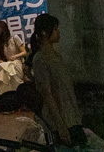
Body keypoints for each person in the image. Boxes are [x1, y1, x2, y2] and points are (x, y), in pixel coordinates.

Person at [31, 13, 86, 148]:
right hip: (59, 121)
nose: (58, 32)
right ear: (44, 33)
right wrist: (60, 126)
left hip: (71, 117)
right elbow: (47, 94)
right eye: (55, 29)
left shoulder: (57, 56)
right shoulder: (40, 59)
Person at [0, 20, 28, 96]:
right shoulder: (1, 43)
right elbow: (0, 59)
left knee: (3, 68)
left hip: (17, 63)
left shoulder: (14, 38)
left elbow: (24, 52)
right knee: (3, 67)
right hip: (7, 65)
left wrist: (15, 56)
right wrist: (2, 62)